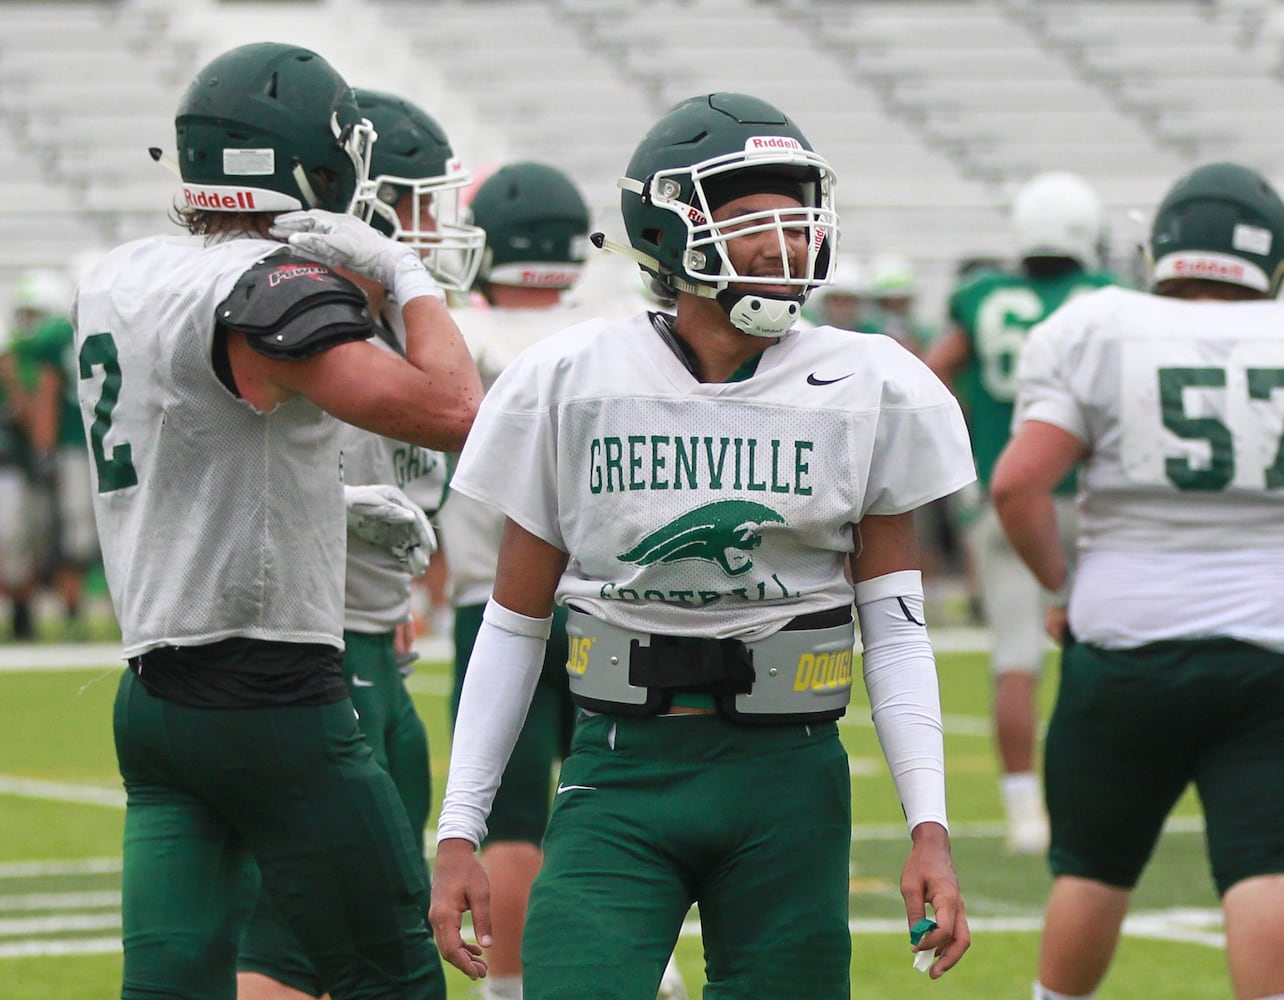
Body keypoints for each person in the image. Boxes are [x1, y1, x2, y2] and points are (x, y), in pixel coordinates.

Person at [428, 91, 972, 1000]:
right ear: (668, 228)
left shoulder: (869, 381)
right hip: (619, 766)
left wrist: (931, 828)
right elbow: (515, 623)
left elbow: (898, 624)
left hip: (788, 776)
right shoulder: (573, 380)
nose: (785, 239)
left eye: (797, 213)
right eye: (750, 215)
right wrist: (458, 831)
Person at [73, 42, 482, 1000]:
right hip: (270, 696)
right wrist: (402, 275)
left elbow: (201, 438)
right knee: (394, 975)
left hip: (155, 701)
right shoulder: (266, 289)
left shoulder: (120, 273)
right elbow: (453, 408)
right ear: (316, 162)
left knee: (172, 985)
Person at [991, 161, 1284, 1000]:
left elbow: (1017, 484)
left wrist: (1061, 589)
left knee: (1093, 870)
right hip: (1269, 649)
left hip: (1125, 646)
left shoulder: (1098, 327)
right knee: (1265, 868)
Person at [235, 85, 488, 1000]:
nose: (435, 227)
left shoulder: (386, 331)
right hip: (315, 652)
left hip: (377, 646)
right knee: (294, 943)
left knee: (357, 942)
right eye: (420, 205)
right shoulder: (293, 323)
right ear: (366, 206)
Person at [437, 160, 686, 1000]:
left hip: (492, 602)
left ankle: (505, 989)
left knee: (508, 820)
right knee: (606, 802)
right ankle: (656, 962)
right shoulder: (618, 330)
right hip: (606, 604)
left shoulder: (457, 335)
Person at [924, 171, 1116, 854]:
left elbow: (932, 369)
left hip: (1004, 495)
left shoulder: (982, 297)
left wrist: (977, 429)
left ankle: (1022, 813)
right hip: (1089, 497)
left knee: (1015, 659)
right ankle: (1093, 797)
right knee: (1103, 654)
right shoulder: (1106, 298)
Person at [12, 266, 101, 639]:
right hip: (79, 446)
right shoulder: (52, 338)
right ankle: (67, 607)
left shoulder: (62, 335)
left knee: (79, 530)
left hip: (87, 445)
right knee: (71, 530)